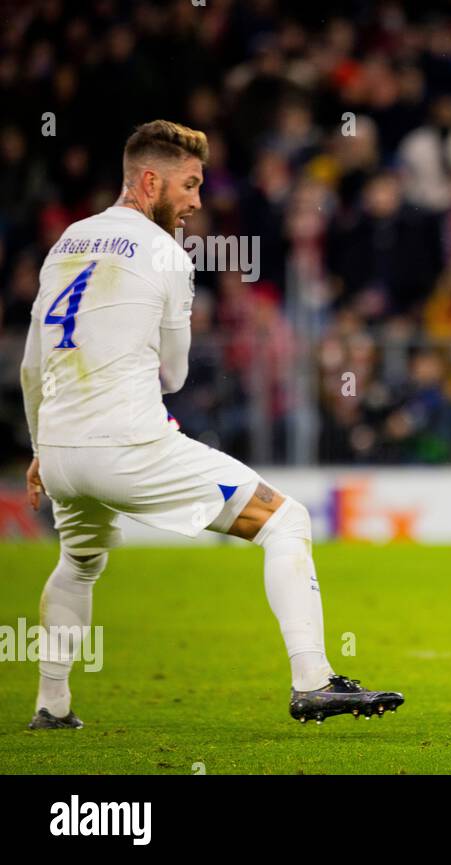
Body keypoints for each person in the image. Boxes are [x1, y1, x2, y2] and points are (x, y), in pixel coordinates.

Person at [20, 120, 402, 728]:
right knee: (285, 520)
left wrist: (42, 448)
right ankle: (313, 680)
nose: (198, 201)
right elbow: (172, 376)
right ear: (150, 182)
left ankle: (52, 706)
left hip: (63, 451)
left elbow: (32, 365)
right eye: (190, 185)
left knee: (78, 563)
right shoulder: (166, 253)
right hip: (130, 447)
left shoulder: (67, 242)